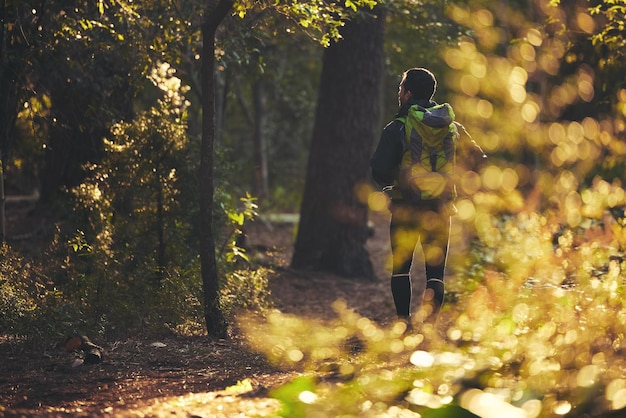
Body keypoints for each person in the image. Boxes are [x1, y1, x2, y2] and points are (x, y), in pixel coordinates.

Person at [370, 67, 484, 327]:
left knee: (401, 268)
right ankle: (429, 328)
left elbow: (379, 169)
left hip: (405, 207)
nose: (399, 93)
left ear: (408, 93)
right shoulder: (452, 127)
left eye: (401, 88)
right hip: (441, 208)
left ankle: (403, 324)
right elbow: (478, 160)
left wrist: (392, 183)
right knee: (435, 273)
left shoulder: (397, 127)